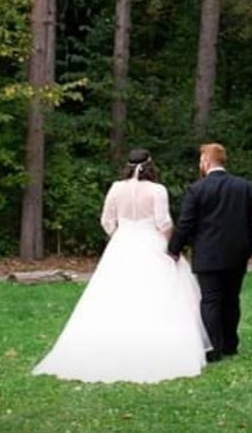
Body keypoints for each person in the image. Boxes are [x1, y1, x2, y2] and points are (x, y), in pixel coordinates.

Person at [33, 148, 211, 384]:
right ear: (150, 166)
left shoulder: (116, 188)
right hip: (151, 242)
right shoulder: (157, 190)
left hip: (123, 244)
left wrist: (119, 235)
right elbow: (163, 222)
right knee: (155, 293)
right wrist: (170, 245)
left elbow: (106, 220)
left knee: (116, 292)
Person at [168, 143, 252, 362]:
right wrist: (248, 248)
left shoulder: (197, 189)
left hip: (207, 254)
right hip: (237, 254)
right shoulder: (245, 187)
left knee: (210, 300)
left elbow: (186, 223)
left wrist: (174, 249)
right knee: (231, 299)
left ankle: (214, 347)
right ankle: (230, 344)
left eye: (201, 159)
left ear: (206, 161)